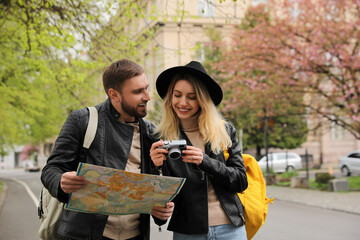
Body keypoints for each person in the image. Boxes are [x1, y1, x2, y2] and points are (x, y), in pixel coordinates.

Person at [41, 59, 174, 240]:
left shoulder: (152, 132)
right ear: (114, 94)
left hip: (136, 236)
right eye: (137, 91)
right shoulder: (82, 120)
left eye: (146, 88)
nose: (147, 96)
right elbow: (51, 169)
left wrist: (161, 211)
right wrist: (60, 181)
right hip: (85, 235)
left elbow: (153, 190)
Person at [149, 61, 248, 240]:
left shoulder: (224, 131)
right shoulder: (160, 138)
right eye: (177, 95)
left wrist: (205, 161)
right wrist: (155, 168)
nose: (183, 102)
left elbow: (241, 181)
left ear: (202, 100)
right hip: (188, 231)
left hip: (230, 228)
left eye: (192, 97)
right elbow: (158, 209)